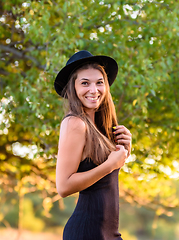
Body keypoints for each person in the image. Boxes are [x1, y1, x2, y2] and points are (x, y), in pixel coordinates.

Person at [54, 50, 132, 240]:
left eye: (99, 82)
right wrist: (109, 165)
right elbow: (63, 186)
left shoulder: (99, 128)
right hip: (87, 232)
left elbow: (105, 181)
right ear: (73, 88)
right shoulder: (75, 123)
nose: (93, 89)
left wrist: (126, 151)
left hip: (108, 233)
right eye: (85, 83)